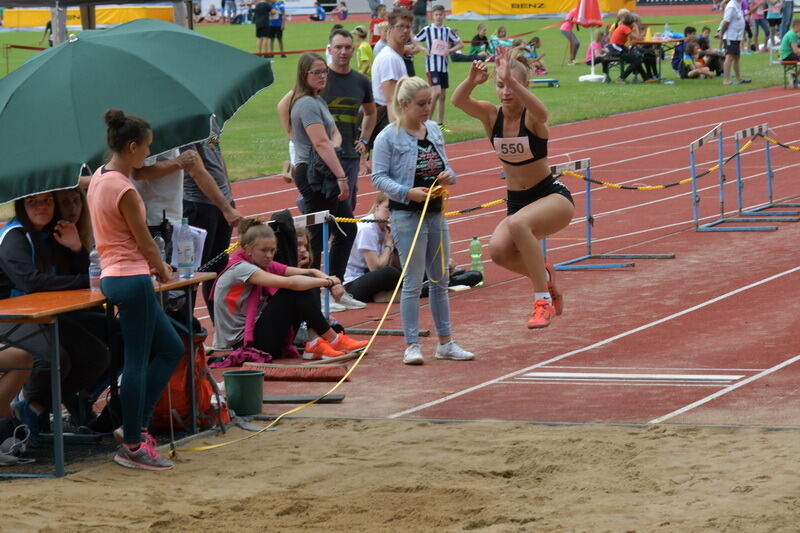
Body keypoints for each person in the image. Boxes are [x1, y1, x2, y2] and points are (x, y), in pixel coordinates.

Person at [87, 109, 184, 471]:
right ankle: (132, 442)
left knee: (171, 348)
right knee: (137, 360)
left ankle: (134, 426)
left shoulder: (99, 176)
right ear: (131, 147)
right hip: (131, 277)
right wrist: (163, 269)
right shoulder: (124, 189)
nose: (148, 154)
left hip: (116, 274)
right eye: (146, 147)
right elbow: (144, 242)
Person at [452, 47, 574, 330]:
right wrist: (471, 80)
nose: (506, 92)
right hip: (518, 201)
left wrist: (513, 80)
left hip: (551, 196)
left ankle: (542, 301)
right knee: (498, 252)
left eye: (512, 86)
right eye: (500, 85)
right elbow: (458, 101)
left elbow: (543, 113)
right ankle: (545, 274)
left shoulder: (531, 119)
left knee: (518, 224)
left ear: (525, 86)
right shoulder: (491, 116)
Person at [371, 76, 475, 365]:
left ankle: (446, 342)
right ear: (404, 104)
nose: (428, 108)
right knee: (413, 281)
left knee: (440, 279)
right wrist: (407, 193)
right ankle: (412, 345)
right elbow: (378, 177)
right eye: (421, 104)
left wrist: (448, 176)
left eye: (429, 102)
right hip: (407, 215)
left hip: (436, 212)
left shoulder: (433, 130)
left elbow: (447, 166)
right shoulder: (387, 137)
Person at [0, 192, 111, 444]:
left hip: (44, 315)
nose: (41, 206)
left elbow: (86, 276)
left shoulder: (55, 233)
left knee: (97, 355)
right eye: (33, 201)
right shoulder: (13, 237)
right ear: (21, 205)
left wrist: (76, 248)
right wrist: (83, 280)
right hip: (9, 317)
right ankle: (29, 416)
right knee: (56, 358)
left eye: (47, 201)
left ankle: (34, 408)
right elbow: (31, 282)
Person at [212, 219, 367, 360]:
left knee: (307, 281)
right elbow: (291, 283)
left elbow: (311, 272)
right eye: (264, 250)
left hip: (261, 335)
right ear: (248, 250)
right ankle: (332, 339)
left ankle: (316, 342)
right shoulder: (241, 268)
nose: (269, 255)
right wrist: (328, 282)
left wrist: (333, 283)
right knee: (295, 289)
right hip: (245, 343)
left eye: (272, 250)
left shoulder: (260, 263)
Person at [288, 53, 365, 311]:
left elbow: (332, 134)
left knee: (345, 229)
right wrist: (341, 176)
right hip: (314, 174)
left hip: (323, 171)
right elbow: (320, 142)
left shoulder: (317, 100)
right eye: (316, 72)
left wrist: (333, 144)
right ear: (304, 75)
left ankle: (334, 289)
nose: (322, 76)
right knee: (318, 235)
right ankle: (316, 297)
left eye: (324, 71)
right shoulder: (306, 104)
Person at [180, 122, 244, 323]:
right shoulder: (184, 125)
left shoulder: (208, 118)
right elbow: (196, 170)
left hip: (220, 204)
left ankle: (222, 328)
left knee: (218, 271)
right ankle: (187, 332)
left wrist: (229, 199)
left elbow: (217, 155)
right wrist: (226, 207)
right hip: (198, 206)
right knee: (190, 275)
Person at [344, 192, 402, 303]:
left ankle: (385, 295)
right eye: (388, 208)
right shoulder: (367, 229)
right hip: (352, 284)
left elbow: (393, 263)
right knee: (390, 273)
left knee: (414, 268)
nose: (391, 213)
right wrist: (389, 243)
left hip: (370, 278)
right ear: (377, 206)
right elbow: (375, 268)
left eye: (396, 210)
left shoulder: (386, 228)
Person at [371, 8, 415, 144]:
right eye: (400, 26)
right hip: (389, 123)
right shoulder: (389, 58)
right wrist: (398, 139)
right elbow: (391, 101)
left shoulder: (395, 56)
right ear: (390, 28)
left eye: (408, 27)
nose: (405, 31)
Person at [415, 4, 463, 127]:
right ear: (433, 15)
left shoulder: (447, 30)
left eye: (440, 14)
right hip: (432, 66)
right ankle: (427, 122)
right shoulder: (427, 30)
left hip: (443, 66)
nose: (438, 17)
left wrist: (449, 50)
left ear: (444, 15)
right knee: (435, 93)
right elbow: (414, 40)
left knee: (442, 95)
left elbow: (460, 44)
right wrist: (423, 49)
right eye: (436, 14)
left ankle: (440, 124)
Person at [608, 13, 651, 83]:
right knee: (636, 60)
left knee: (637, 60)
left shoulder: (624, 26)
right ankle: (621, 78)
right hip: (615, 48)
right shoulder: (625, 28)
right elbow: (637, 37)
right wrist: (636, 27)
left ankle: (646, 79)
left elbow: (635, 39)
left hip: (620, 47)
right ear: (631, 23)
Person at [718, 0, 752, 85]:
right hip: (730, 36)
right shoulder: (731, 6)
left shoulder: (738, 4)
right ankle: (726, 80)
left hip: (737, 36)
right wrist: (721, 33)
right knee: (729, 56)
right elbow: (726, 22)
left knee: (736, 57)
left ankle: (739, 78)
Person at [55, 187, 93, 251]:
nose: (73, 206)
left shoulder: (92, 232)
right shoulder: (50, 237)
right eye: (65, 202)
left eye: (76, 200)